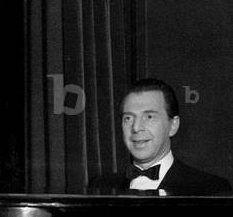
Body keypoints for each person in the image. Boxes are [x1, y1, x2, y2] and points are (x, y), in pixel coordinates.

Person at [88, 77, 231, 194]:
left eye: (149, 117)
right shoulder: (100, 186)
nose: (136, 128)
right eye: (128, 118)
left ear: (173, 125)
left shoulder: (211, 189)